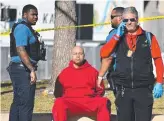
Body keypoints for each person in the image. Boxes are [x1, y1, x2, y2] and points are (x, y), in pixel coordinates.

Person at [100, 7, 163, 121]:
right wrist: (116, 36)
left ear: (137, 19)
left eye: (132, 19)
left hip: (143, 89)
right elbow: (104, 53)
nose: (129, 22)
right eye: (125, 20)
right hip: (123, 89)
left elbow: (158, 59)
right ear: (122, 21)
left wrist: (159, 82)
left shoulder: (148, 37)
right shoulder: (117, 37)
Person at [7, 4, 45, 121]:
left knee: (19, 102)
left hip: (21, 69)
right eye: (33, 14)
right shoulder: (22, 28)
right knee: (26, 104)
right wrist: (31, 69)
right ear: (25, 15)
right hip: (22, 69)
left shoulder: (27, 28)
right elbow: (20, 49)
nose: (36, 17)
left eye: (37, 15)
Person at [52, 46, 111, 121]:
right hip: (71, 103)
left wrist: (92, 98)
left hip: (88, 102)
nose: (77, 56)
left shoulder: (93, 72)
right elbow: (57, 93)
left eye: (80, 53)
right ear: (71, 56)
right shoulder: (64, 73)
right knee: (59, 102)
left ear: (84, 55)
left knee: (103, 102)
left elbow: (100, 90)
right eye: (75, 54)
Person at [98, 7, 124, 96]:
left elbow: (108, 57)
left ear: (119, 18)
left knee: (122, 104)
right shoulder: (137, 32)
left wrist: (100, 77)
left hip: (119, 75)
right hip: (138, 76)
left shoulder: (114, 34)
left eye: (112, 17)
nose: (111, 19)